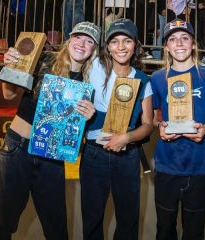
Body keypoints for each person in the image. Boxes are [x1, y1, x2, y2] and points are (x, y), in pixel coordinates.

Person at [0, 21, 100, 240]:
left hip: (51, 156)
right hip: (18, 149)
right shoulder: (43, 61)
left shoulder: (89, 82)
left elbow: (75, 131)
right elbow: (8, 95)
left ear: (93, 50)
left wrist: (88, 117)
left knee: (56, 227)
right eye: (78, 37)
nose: (82, 44)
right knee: (4, 221)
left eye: (89, 41)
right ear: (69, 39)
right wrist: (11, 66)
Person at [150, 19, 205, 240]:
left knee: (194, 233)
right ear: (166, 46)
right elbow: (150, 118)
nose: (179, 43)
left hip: (199, 167)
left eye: (184, 38)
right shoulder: (158, 78)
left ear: (194, 44)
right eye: (172, 39)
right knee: (164, 231)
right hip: (167, 166)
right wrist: (159, 126)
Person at [80, 18, 154, 240]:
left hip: (127, 156)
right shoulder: (92, 67)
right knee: (92, 220)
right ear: (108, 47)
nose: (121, 47)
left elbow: (148, 125)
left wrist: (127, 137)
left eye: (127, 41)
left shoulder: (143, 80)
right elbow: (68, 58)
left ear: (135, 46)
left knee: (128, 221)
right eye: (114, 41)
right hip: (94, 153)